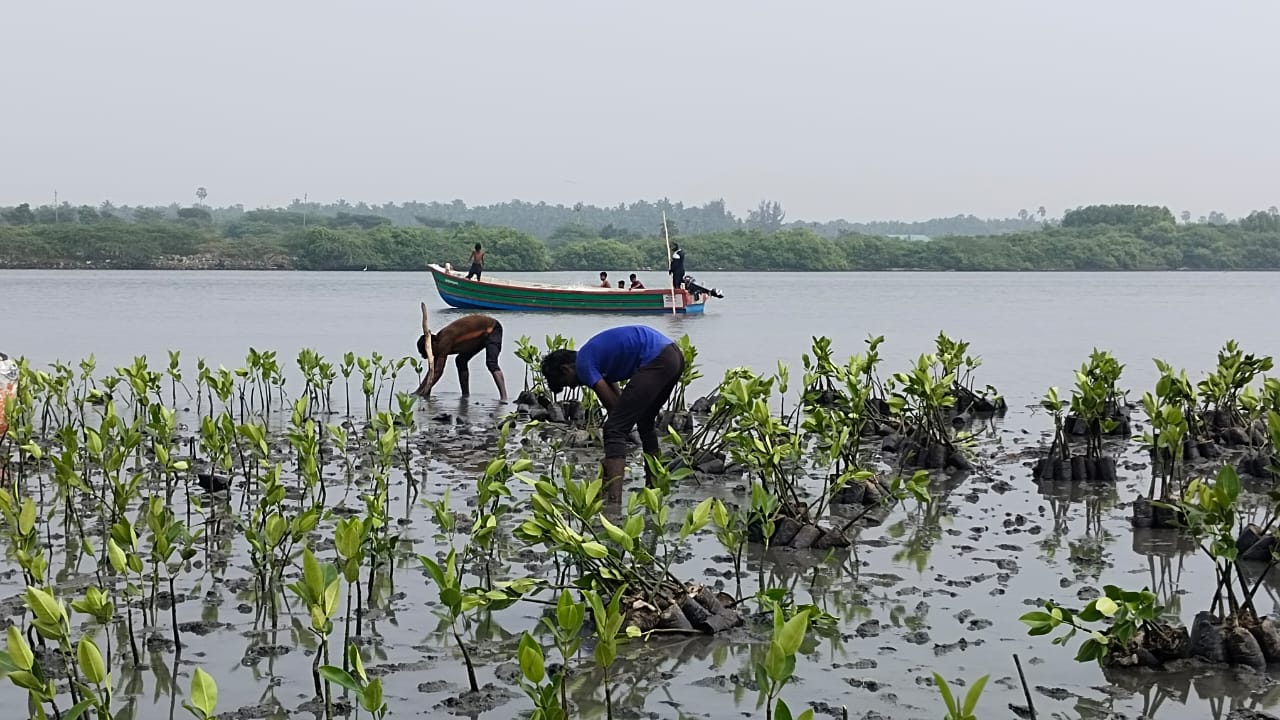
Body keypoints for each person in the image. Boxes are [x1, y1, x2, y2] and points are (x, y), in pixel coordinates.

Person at [540, 325, 685, 503]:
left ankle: (613, 501)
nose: (571, 387)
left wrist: (610, 462)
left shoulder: (584, 364)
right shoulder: (594, 357)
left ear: (566, 369)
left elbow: (614, 412)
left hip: (657, 359)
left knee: (613, 429)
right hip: (673, 355)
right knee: (645, 422)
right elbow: (618, 408)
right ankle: (654, 488)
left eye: (565, 383)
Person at [414, 303, 508, 401]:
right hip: (478, 337)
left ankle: (504, 398)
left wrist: (422, 391)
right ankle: (465, 396)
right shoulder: (439, 342)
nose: (433, 355)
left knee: (491, 363)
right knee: (461, 360)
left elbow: (438, 371)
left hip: (493, 329)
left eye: (431, 353)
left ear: (432, 344)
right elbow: (432, 371)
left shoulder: (444, 341)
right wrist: (420, 390)